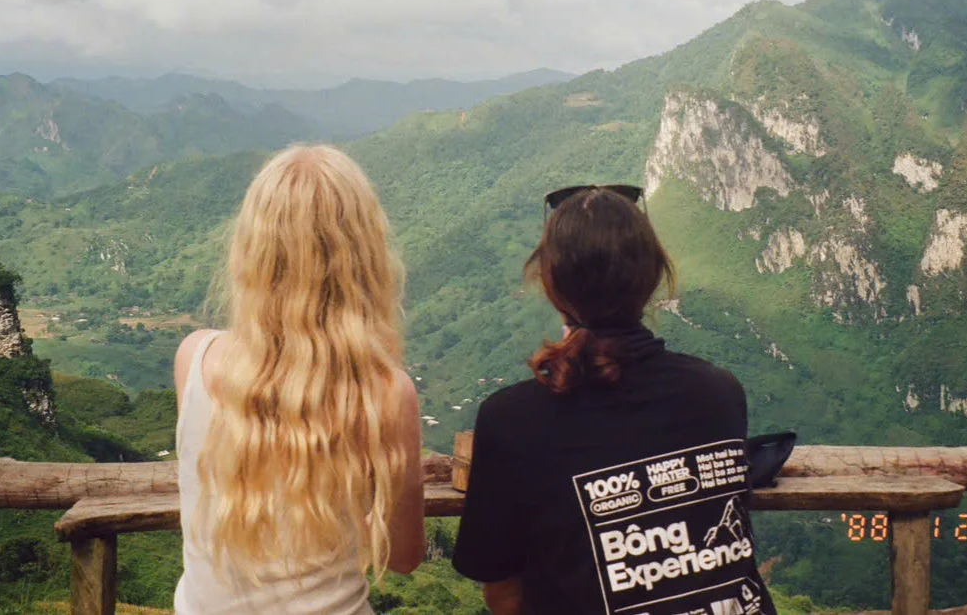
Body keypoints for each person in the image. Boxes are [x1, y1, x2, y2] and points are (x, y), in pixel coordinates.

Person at [452, 185, 775, 615]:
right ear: (652, 276)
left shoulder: (512, 419)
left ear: (552, 285)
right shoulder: (718, 392)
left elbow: (502, 591)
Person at [173, 144, 425, 614]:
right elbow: (405, 557)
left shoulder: (195, 358)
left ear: (253, 250)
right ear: (363, 255)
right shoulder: (386, 393)